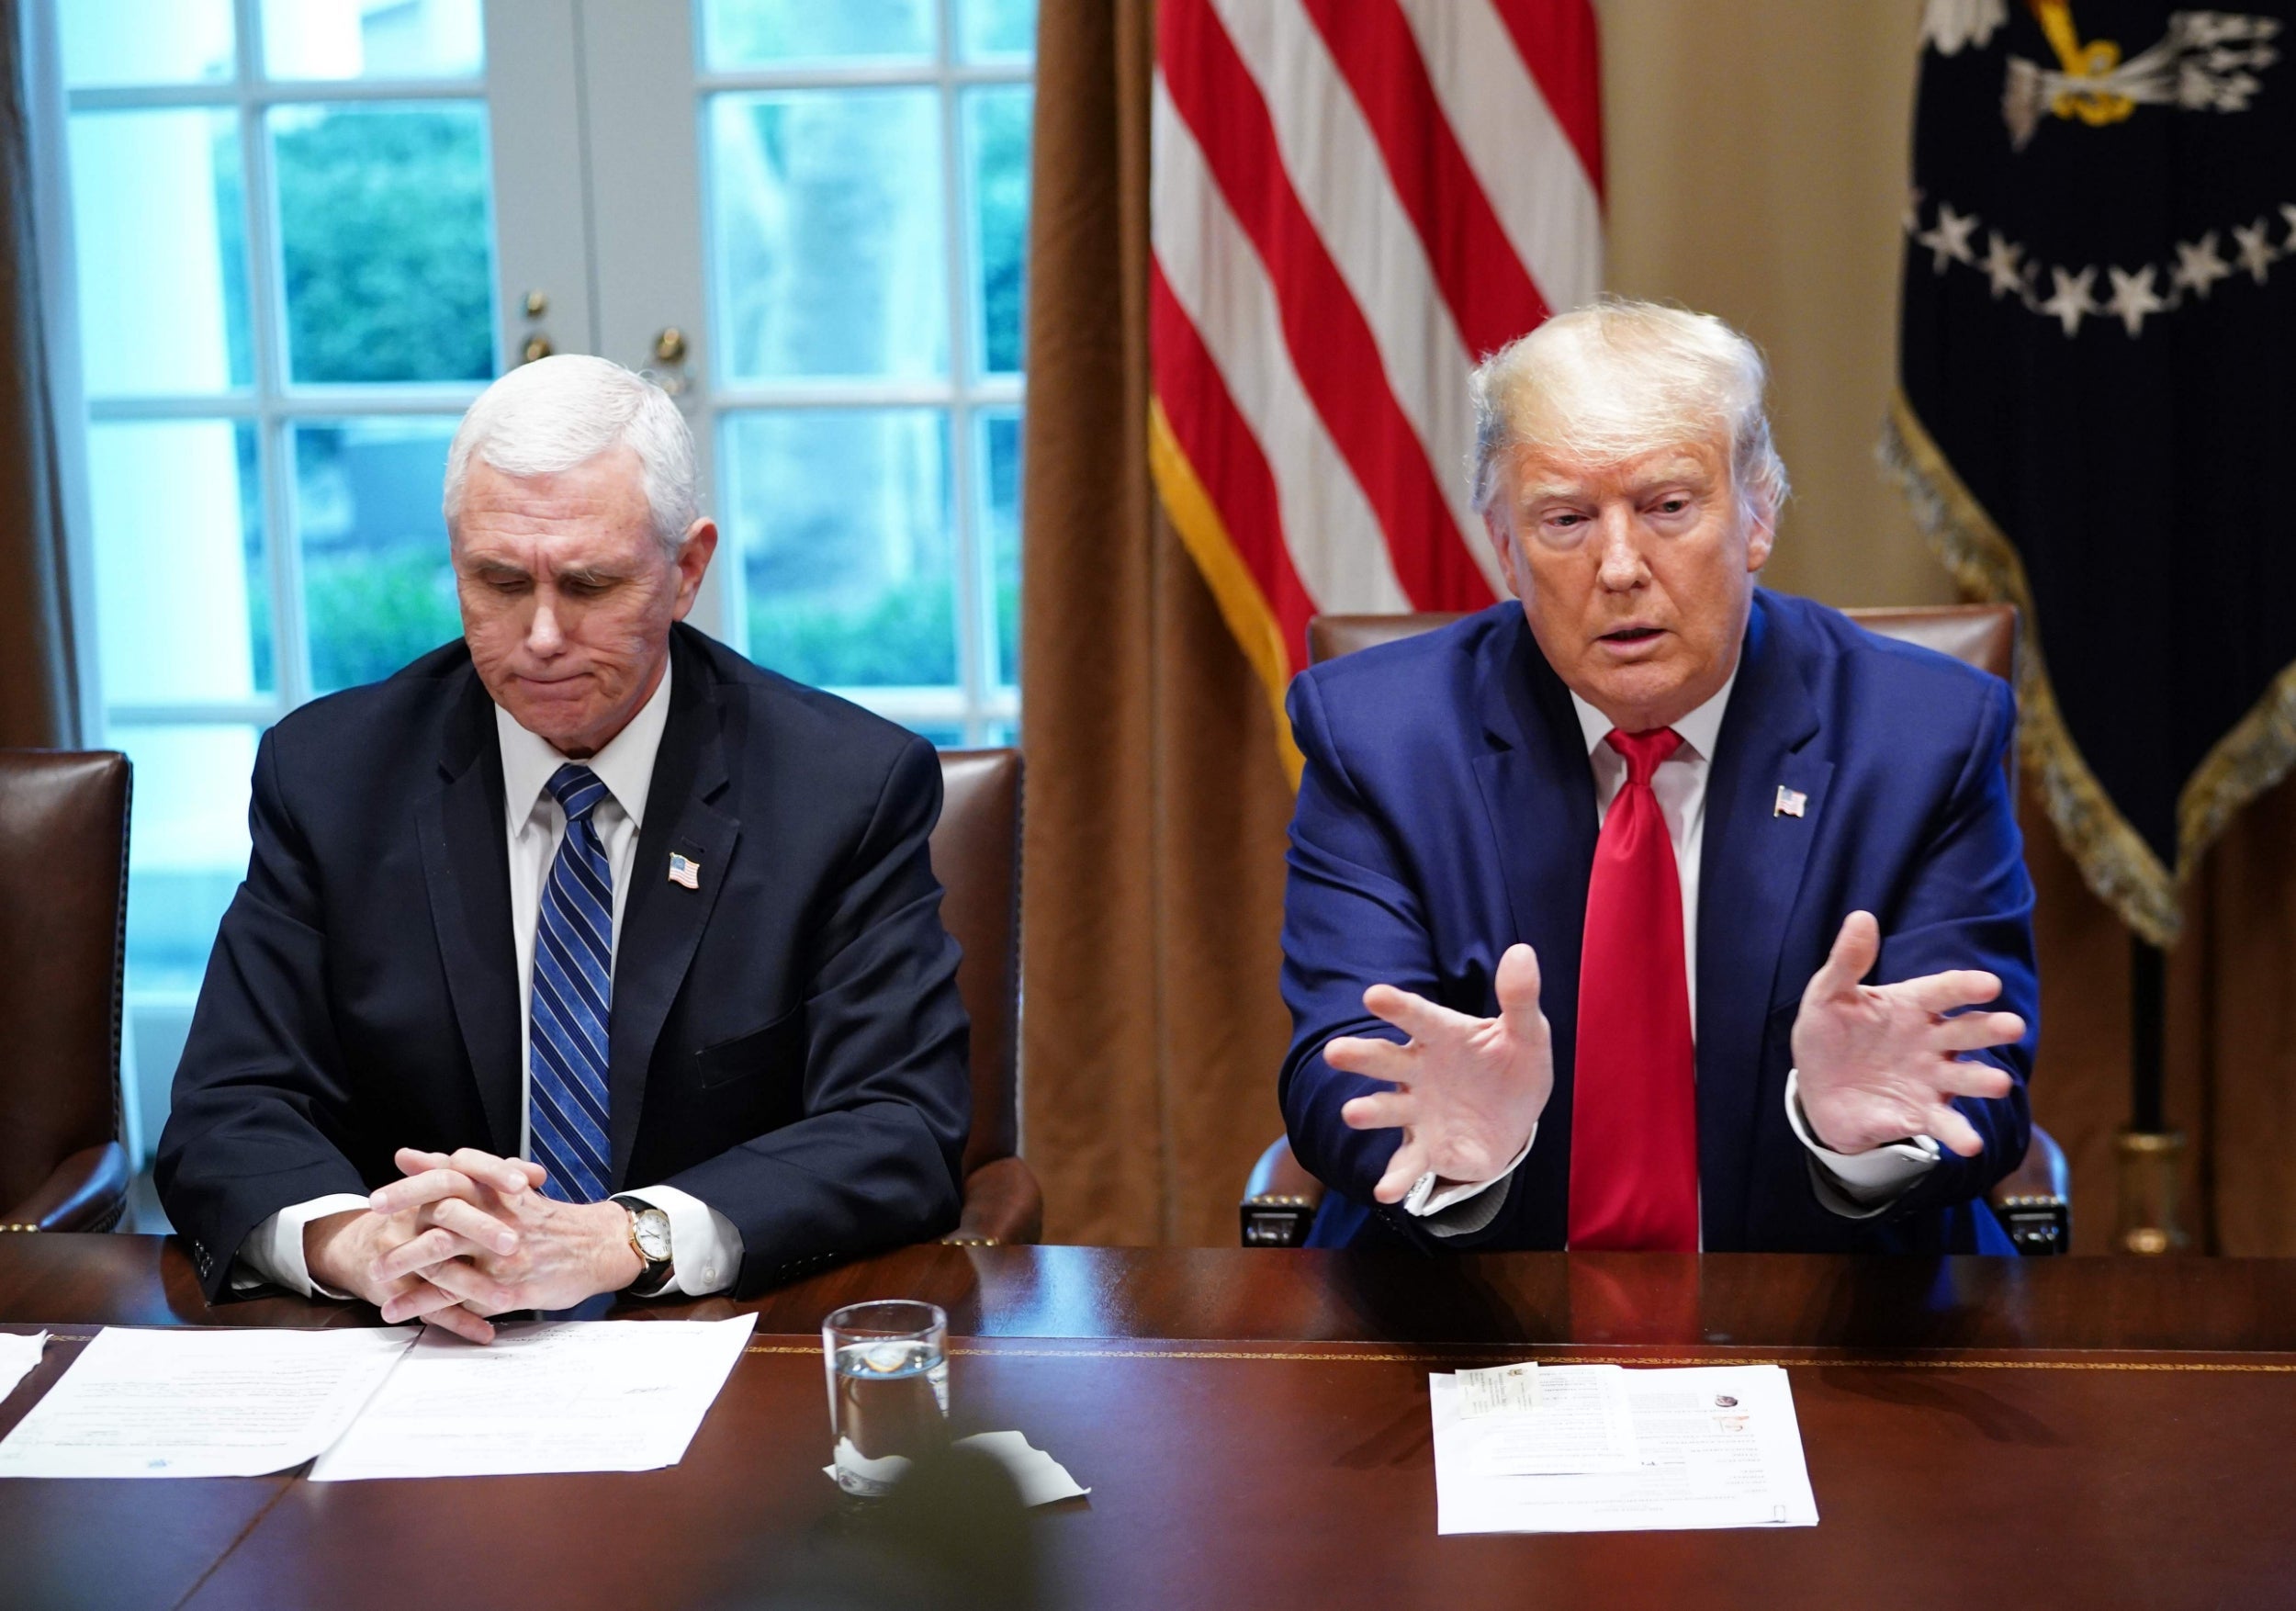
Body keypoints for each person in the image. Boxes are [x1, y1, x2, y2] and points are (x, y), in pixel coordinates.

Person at [157, 355, 972, 1336]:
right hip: (424, 1347)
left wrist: (621, 1238)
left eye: (588, 584)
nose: (539, 634)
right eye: (498, 582)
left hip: (729, 1346)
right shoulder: (330, 777)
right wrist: (355, 1241)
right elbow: (230, 1105)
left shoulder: (840, 788)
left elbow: (897, 1125)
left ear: (687, 569)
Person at [1279, 299, 2036, 1255]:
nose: (1621, 566)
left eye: (1668, 506)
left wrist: (1866, 1138)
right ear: (1506, 548)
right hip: (1478, 1310)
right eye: (1564, 520)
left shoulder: (1925, 736)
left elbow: (1978, 1080)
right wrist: (1452, 1152)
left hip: (1832, 1312)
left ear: (1756, 511)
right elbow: (1333, 1063)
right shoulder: (1378, 739)